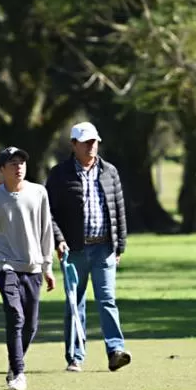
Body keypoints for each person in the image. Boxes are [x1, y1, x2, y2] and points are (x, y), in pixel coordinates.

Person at [44, 122, 132, 373]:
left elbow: (118, 210)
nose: (91, 146)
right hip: (74, 250)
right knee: (75, 302)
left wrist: (119, 246)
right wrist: (58, 239)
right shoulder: (59, 174)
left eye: (94, 141)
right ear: (73, 145)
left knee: (107, 300)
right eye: (85, 142)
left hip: (104, 247)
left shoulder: (109, 172)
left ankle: (115, 350)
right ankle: (75, 356)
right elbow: (48, 213)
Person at [0, 147, 56, 390]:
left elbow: (46, 230)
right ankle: (19, 372)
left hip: (32, 265)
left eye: (21, 162)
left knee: (30, 324)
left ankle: (14, 362)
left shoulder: (39, 193)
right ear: (2, 169)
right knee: (15, 314)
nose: (19, 167)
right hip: (5, 263)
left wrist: (47, 266)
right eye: (12, 163)